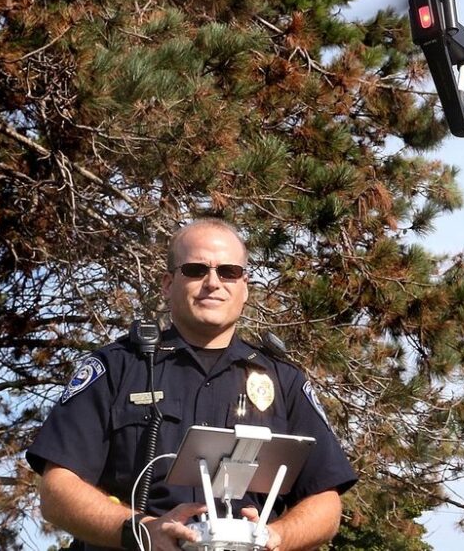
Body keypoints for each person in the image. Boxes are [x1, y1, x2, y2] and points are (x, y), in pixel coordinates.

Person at [27, 218, 358, 551]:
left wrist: (277, 537)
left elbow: (325, 502)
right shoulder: (117, 367)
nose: (213, 283)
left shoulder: (283, 381)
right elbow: (57, 490)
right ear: (168, 284)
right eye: (196, 270)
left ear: (245, 287)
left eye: (228, 271)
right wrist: (142, 532)